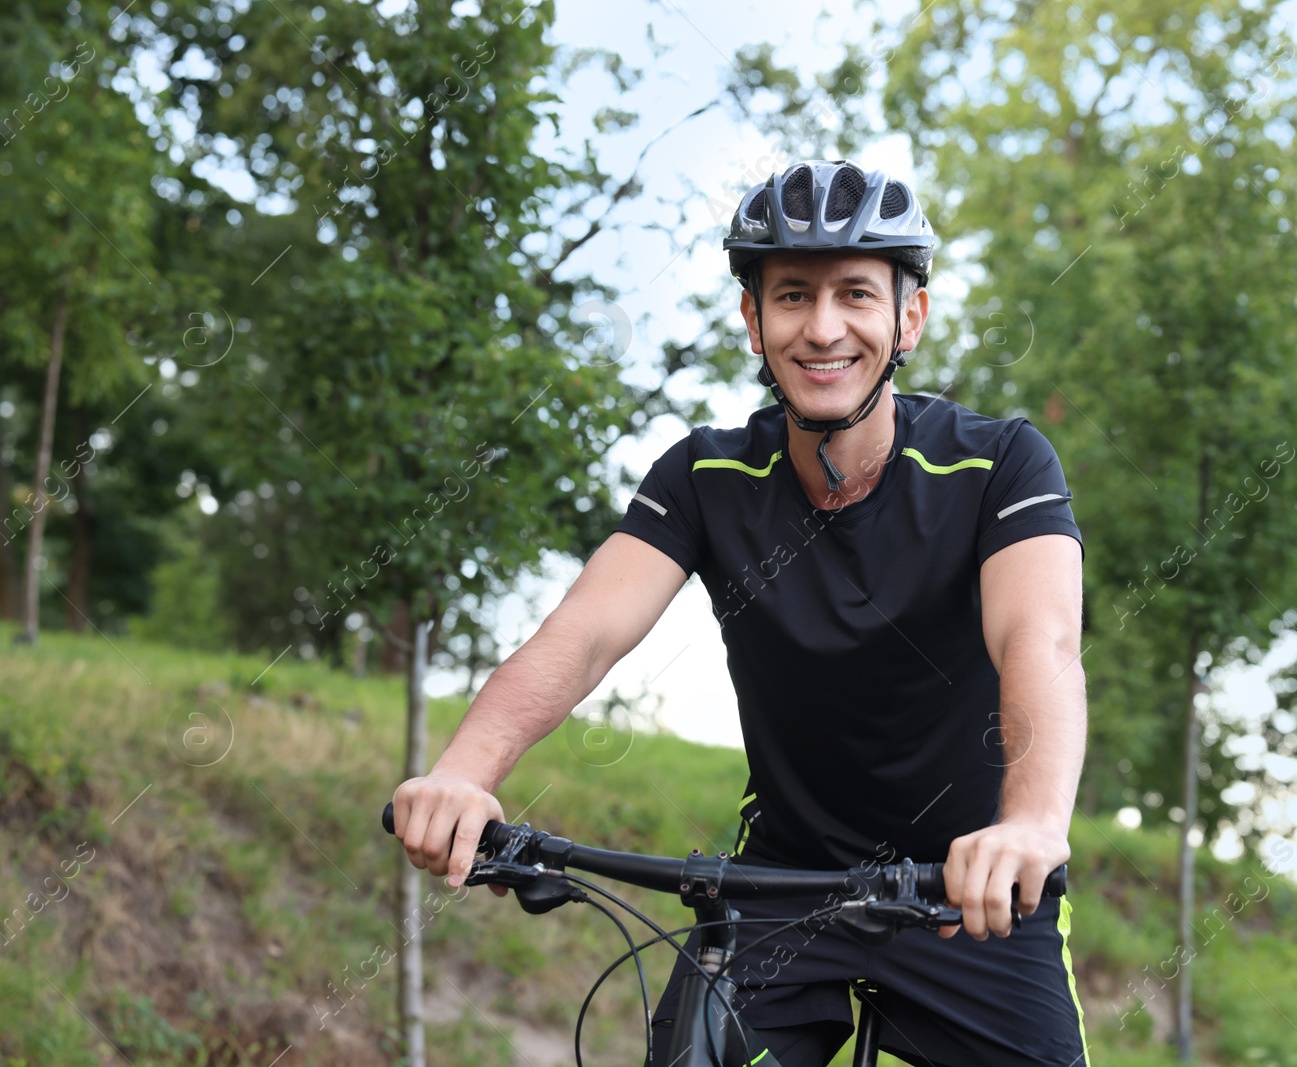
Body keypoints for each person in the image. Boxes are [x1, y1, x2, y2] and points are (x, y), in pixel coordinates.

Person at [391, 159, 1090, 1067]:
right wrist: (463, 771)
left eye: (856, 295)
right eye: (792, 295)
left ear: (908, 317)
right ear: (754, 321)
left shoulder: (1000, 465)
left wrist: (1030, 824)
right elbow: (585, 628)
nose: (824, 327)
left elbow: (1038, 639)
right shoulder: (705, 477)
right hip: (777, 886)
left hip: (973, 885)